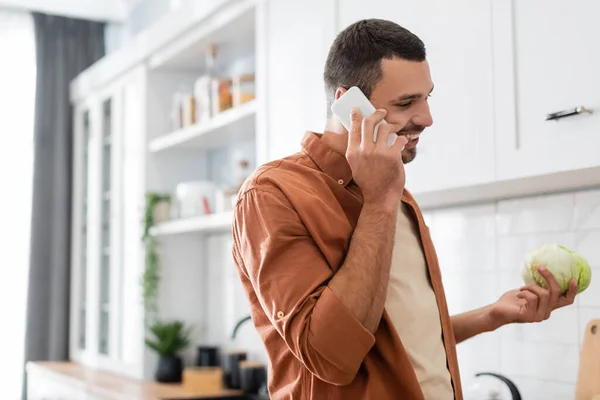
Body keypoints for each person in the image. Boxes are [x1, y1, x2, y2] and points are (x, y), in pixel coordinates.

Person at [231, 18, 577, 400]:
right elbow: (330, 356)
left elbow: (397, 341)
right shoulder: (272, 194)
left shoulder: (394, 190)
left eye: (427, 97)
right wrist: (380, 200)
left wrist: (491, 315)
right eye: (406, 102)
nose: (427, 118)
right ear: (349, 105)